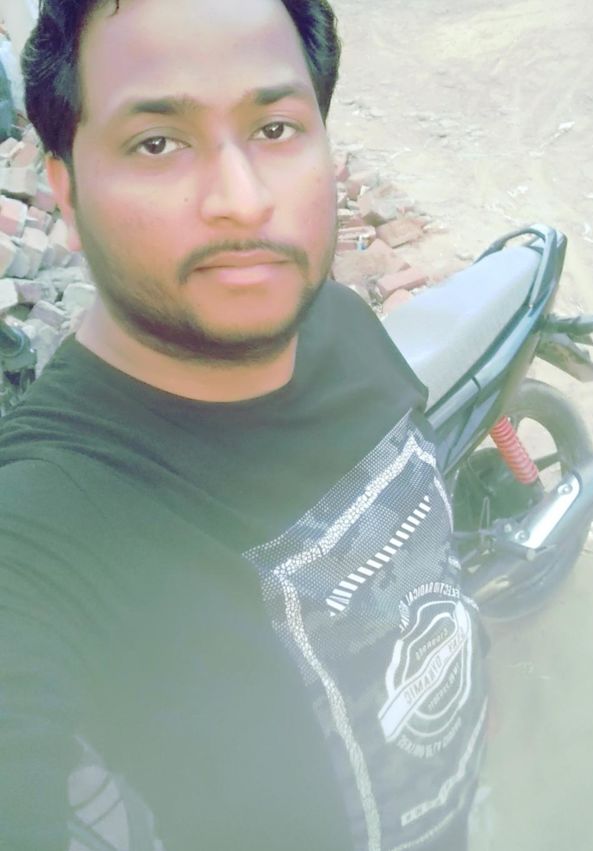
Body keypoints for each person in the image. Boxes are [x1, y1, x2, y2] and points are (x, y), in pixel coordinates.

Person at [0, 0, 488, 849]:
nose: (242, 199)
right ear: (66, 193)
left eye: (274, 128)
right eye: (158, 143)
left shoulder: (342, 323)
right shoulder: (38, 540)